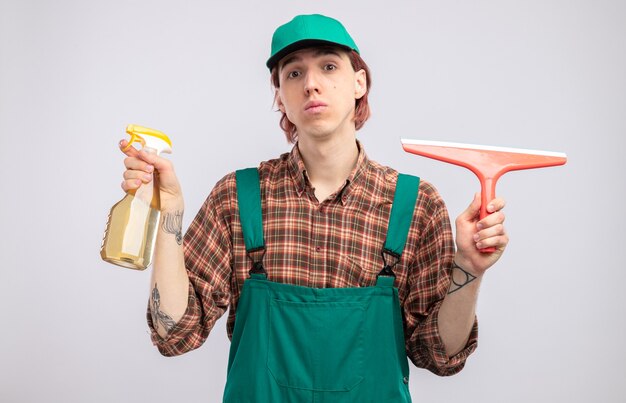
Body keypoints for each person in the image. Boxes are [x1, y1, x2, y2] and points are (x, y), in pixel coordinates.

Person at [119, 14, 508, 402]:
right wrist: (167, 212)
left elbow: (440, 355)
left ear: (360, 82)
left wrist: (469, 270)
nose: (311, 84)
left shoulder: (416, 205)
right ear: (280, 99)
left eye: (328, 66)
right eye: (293, 73)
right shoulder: (237, 198)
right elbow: (176, 334)